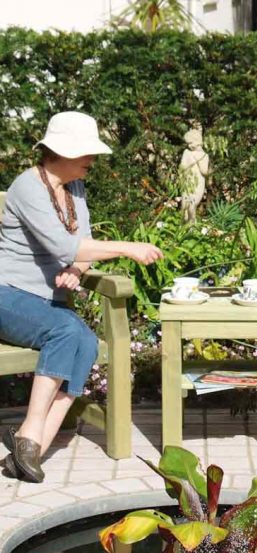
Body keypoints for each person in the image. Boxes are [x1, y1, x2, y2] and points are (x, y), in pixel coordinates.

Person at [0, 111, 163, 483]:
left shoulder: (74, 189)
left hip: (45, 304)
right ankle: (29, 433)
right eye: (87, 152)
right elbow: (63, 244)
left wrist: (75, 270)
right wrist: (128, 248)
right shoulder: (28, 186)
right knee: (66, 333)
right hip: (7, 295)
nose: (94, 159)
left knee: (86, 342)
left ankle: (30, 449)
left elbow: (79, 248)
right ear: (62, 151)